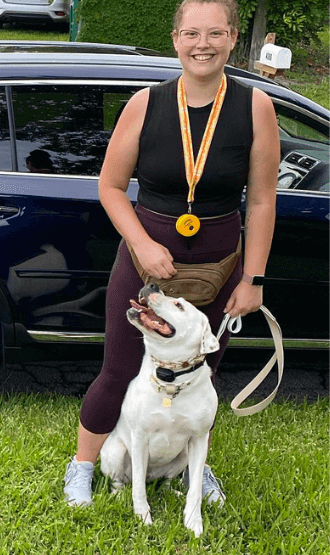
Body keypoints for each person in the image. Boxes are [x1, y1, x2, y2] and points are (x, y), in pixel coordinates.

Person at [63, 0, 278, 506]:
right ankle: (82, 467)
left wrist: (253, 280)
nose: (202, 44)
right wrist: (142, 242)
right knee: (119, 371)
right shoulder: (146, 104)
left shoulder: (255, 107)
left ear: (232, 38)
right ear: (176, 38)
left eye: (215, 33)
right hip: (143, 269)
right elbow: (111, 187)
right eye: (192, 33)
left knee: (201, 376)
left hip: (221, 269)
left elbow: (264, 199)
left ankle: (189, 468)